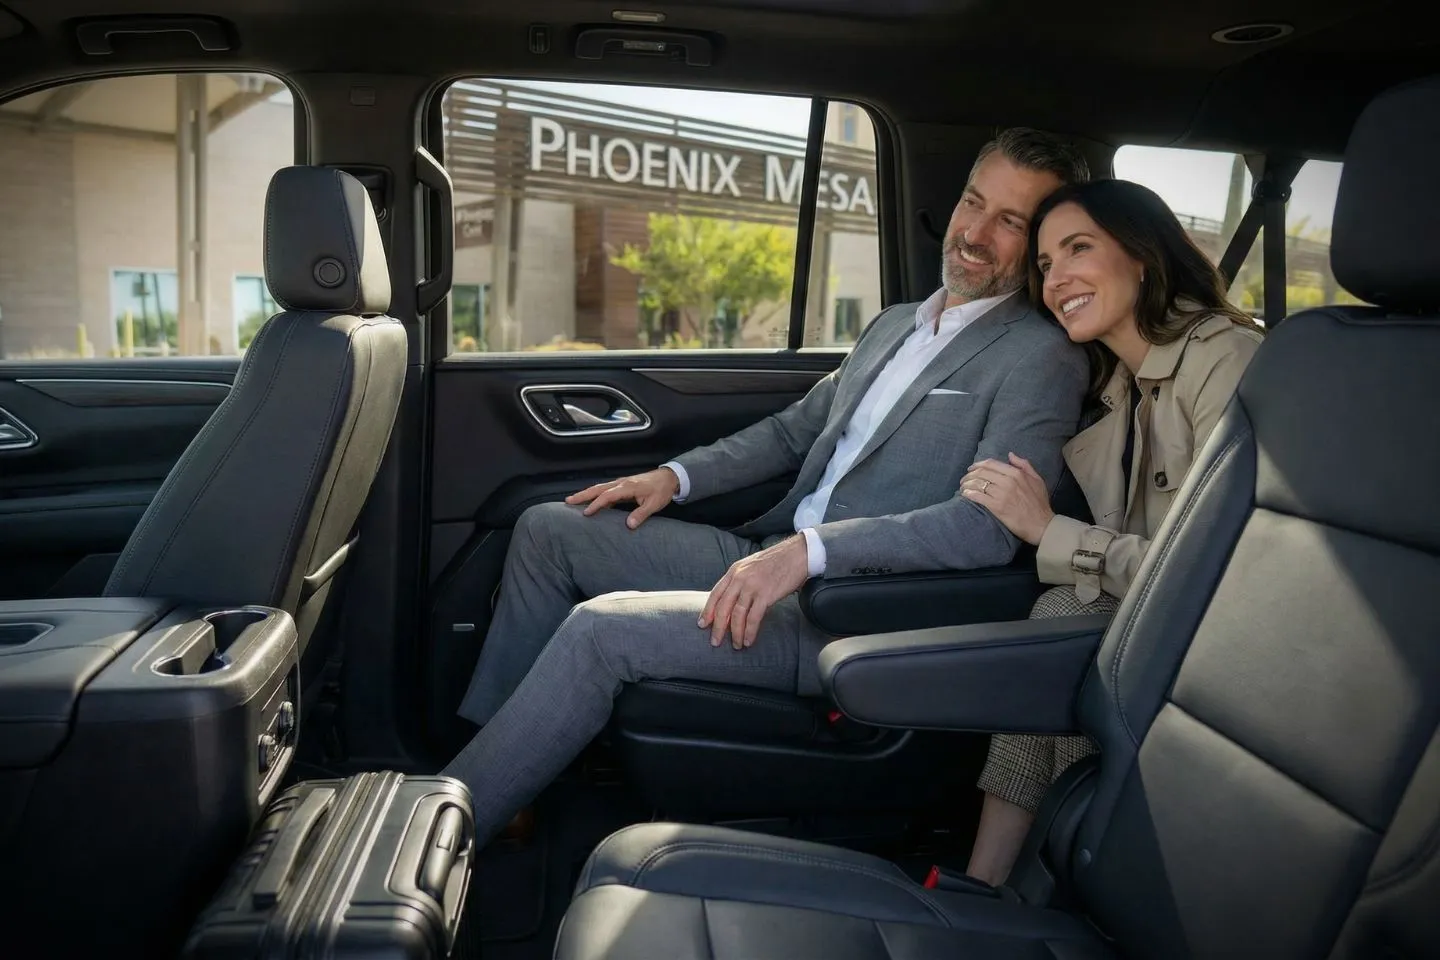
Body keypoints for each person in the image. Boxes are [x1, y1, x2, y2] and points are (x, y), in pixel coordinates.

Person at [442, 128, 1094, 844]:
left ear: (1038, 245)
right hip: (769, 554)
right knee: (548, 530)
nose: (976, 232)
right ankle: (503, 773)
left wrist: (810, 553)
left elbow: (985, 527)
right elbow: (791, 433)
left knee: (603, 630)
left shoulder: (1040, 356)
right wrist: (674, 477)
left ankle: (456, 823)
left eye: (1010, 222)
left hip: (847, 610)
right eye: (974, 202)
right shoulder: (896, 325)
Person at [958, 178, 1264, 886]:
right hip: (1164, 622)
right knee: (1063, 621)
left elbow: (1209, 568)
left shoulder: (1227, 360)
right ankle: (989, 889)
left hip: (1231, 632)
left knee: (1075, 626)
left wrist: (1048, 529)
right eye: (1043, 264)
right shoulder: (1119, 393)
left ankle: (1050, 892)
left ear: (1142, 255)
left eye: (1078, 249)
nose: (1056, 277)